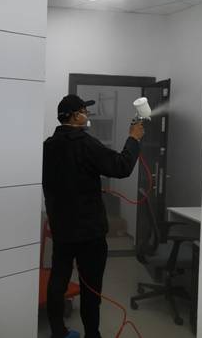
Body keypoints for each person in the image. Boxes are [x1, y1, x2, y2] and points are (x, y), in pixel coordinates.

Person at [42, 94, 144, 338]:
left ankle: (58, 332)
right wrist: (133, 138)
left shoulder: (48, 146)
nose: (87, 115)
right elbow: (121, 166)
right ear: (74, 116)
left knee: (57, 281)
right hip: (89, 234)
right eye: (84, 111)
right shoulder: (85, 143)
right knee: (91, 288)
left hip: (62, 230)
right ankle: (92, 335)